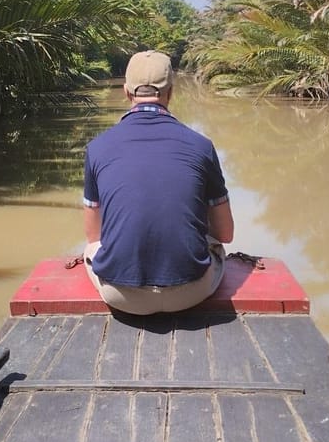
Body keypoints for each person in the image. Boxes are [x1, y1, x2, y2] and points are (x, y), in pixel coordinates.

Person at [82, 50, 234, 315]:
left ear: (127, 93)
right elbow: (225, 234)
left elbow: (94, 234)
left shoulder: (97, 148)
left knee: (91, 247)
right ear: (171, 93)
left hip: (120, 297)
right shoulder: (201, 146)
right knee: (214, 244)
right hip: (191, 292)